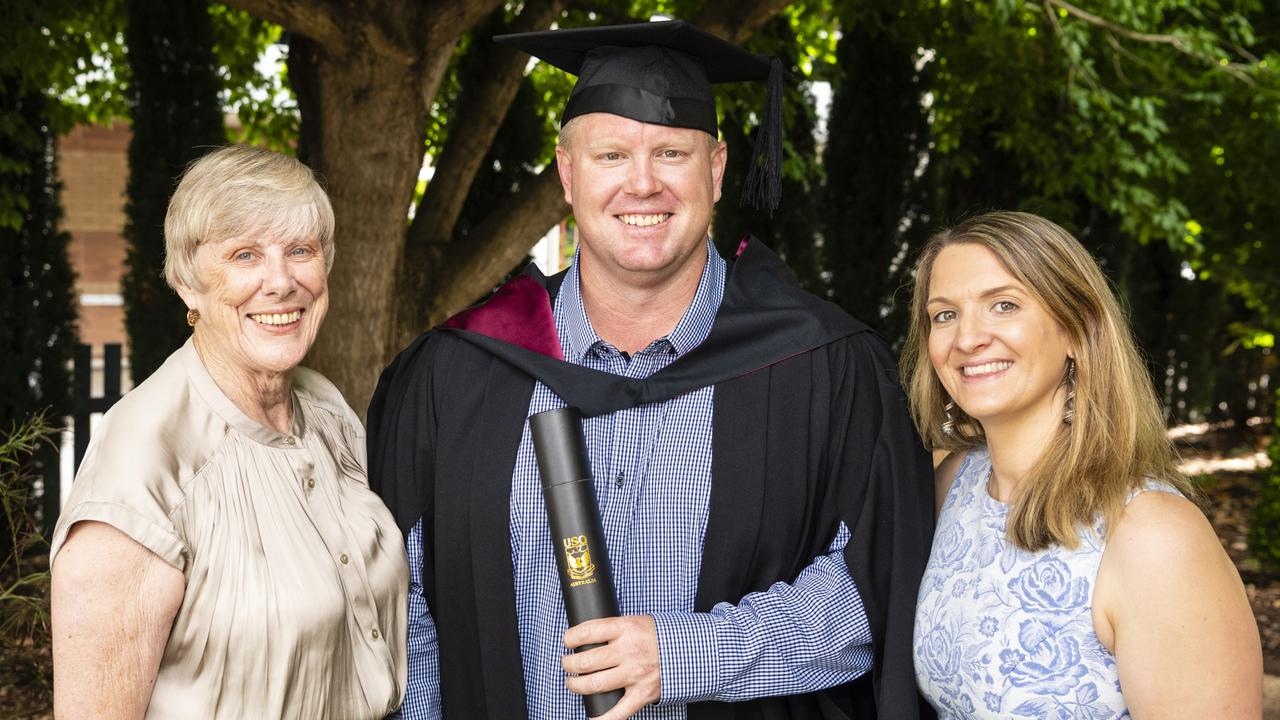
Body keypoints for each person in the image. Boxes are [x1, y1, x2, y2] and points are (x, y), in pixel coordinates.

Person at [369, 19, 935, 720]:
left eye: (671, 152)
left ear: (718, 170)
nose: (642, 183)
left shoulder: (825, 366)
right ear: (569, 175)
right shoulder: (457, 374)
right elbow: (407, 612)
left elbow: (875, 579)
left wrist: (695, 654)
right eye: (611, 155)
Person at [49, 145, 407, 719]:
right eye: (245, 255)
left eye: (300, 250)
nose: (281, 281)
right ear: (188, 284)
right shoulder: (146, 461)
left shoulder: (328, 410)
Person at [903, 211, 1262, 718]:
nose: (967, 339)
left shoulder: (1152, 536)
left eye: (1003, 306)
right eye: (944, 315)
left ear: (1077, 331)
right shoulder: (953, 482)